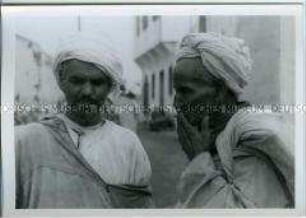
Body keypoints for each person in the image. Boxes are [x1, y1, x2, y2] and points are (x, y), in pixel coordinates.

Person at [15, 33, 153, 209]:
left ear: (109, 86)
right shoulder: (26, 141)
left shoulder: (128, 145)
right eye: (77, 81)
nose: (87, 91)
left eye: (97, 83)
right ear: (61, 82)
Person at [173, 33, 294, 208]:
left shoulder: (252, 139)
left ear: (221, 91)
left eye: (186, 91)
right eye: (176, 91)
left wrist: (198, 159)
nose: (176, 102)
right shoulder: (218, 133)